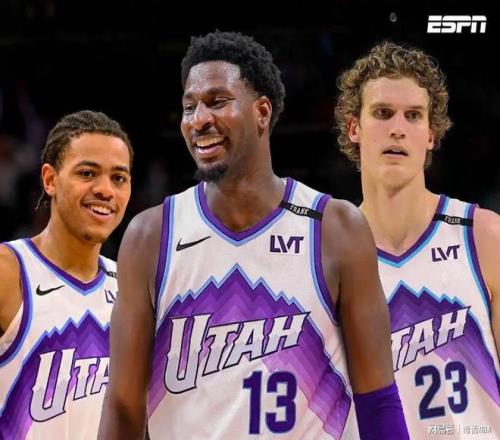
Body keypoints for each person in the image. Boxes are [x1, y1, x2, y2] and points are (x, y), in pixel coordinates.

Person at [99, 31, 407, 440]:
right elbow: (123, 407)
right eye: (189, 107)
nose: (198, 119)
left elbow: (378, 401)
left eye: (217, 101)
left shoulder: (335, 229)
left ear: (262, 112)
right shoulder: (150, 237)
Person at [335, 41, 500, 438]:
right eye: (382, 113)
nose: (398, 128)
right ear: (354, 128)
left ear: (430, 134)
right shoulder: (331, 256)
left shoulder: (483, 236)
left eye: (413, 115)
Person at [0, 110, 133, 439]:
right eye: (87, 173)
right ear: (50, 180)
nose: (105, 190)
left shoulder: (131, 287)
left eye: (119, 178)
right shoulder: (9, 270)